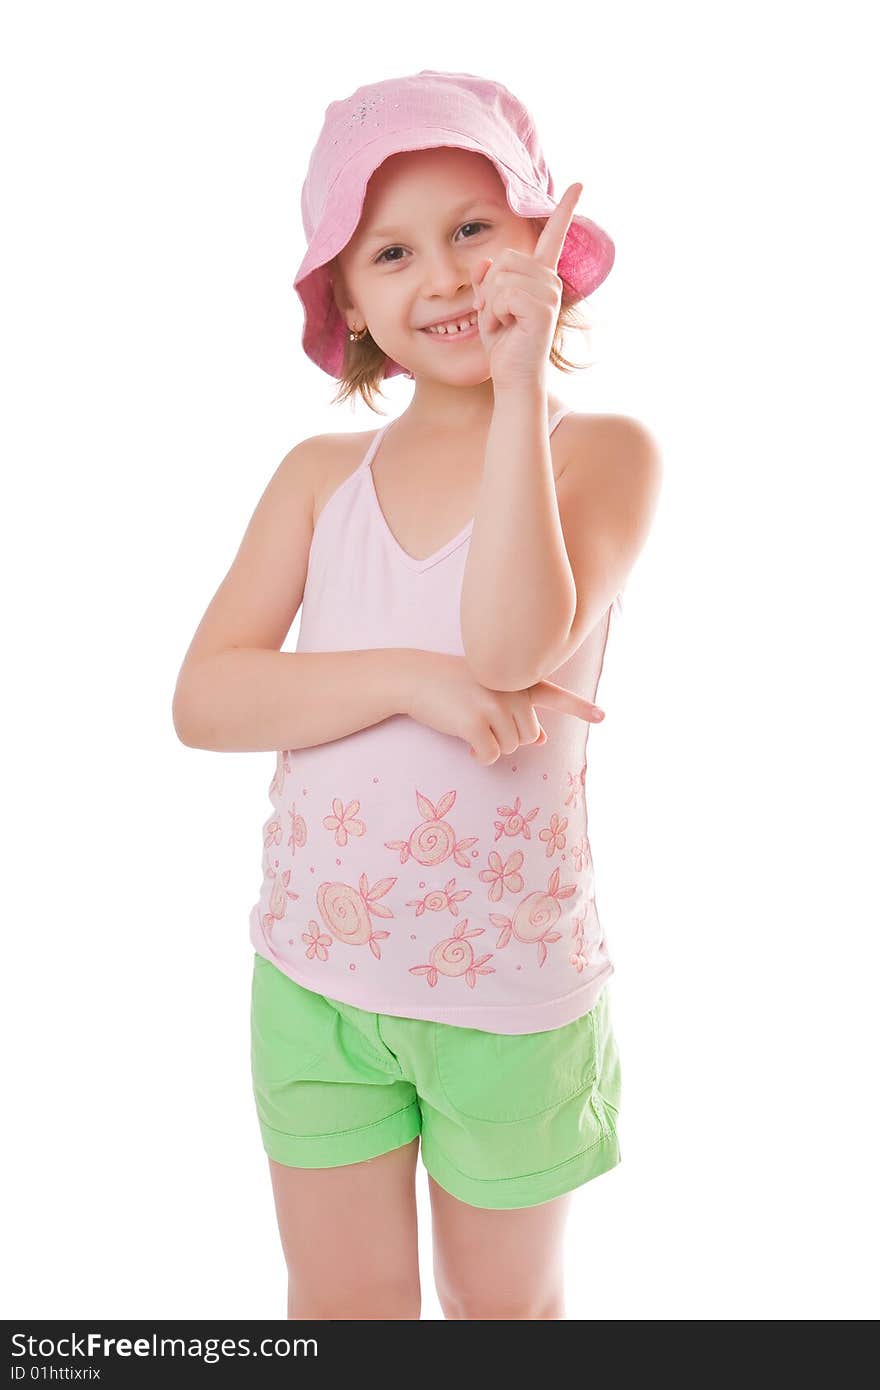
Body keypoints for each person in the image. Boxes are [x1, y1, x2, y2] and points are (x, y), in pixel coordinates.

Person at [172, 69, 662, 1320]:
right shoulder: (317, 477)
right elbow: (208, 700)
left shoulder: (598, 455)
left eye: (473, 231)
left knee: (505, 1313)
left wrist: (511, 390)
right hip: (315, 977)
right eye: (391, 250)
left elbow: (508, 647)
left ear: (544, 244)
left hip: (507, 995)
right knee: (341, 1307)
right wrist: (407, 680)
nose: (441, 277)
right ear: (345, 296)